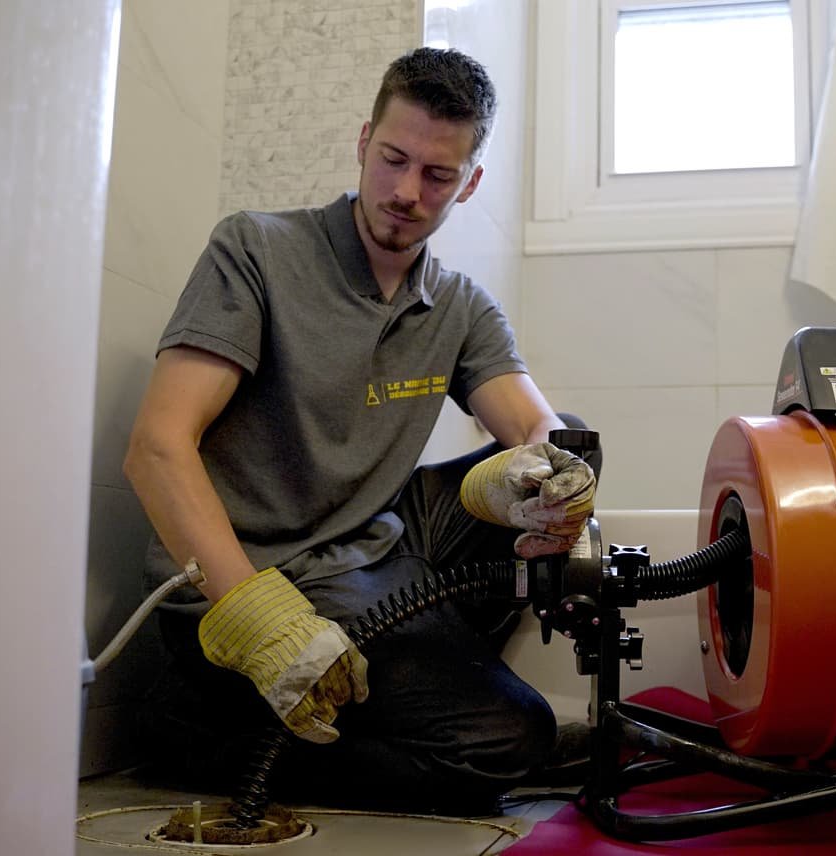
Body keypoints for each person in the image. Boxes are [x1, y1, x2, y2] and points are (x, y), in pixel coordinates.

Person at [123, 47, 598, 816]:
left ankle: (408, 684)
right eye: (393, 160)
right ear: (363, 142)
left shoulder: (457, 304)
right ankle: (205, 734)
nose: (407, 193)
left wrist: (549, 485)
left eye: (437, 176)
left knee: (560, 454)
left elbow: (536, 425)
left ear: (470, 183)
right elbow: (155, 448)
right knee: (505, 740)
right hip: (252, 577)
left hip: (367, 551)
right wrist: (256, 617)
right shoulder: (258, 250)